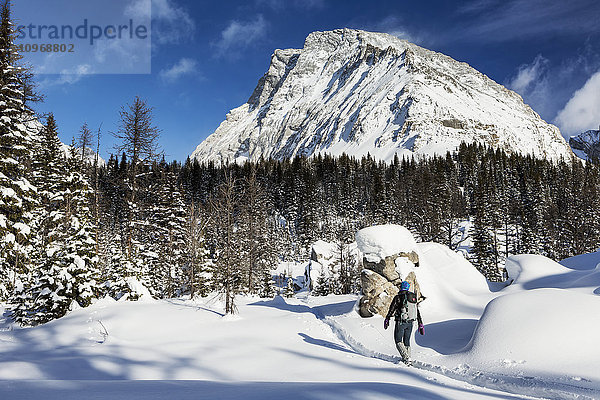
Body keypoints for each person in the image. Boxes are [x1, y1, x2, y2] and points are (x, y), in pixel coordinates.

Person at [383, 281, 424, 366]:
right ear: (408, 288)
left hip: (401, 322)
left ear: (401, 287)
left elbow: (392, 309)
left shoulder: (398, 297)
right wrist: (420, 324)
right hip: (411, 322)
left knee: (398, 341)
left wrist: (387, 318)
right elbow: (417, 311)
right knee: (406, 341)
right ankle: (408, 358)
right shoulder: (412, 297)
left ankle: (406, 358)